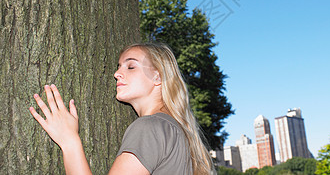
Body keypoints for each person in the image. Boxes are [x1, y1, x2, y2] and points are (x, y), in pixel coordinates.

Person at [29, 43, 213, 175]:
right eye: (119, 67)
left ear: (157, 77)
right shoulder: (173, 131)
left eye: (131, 66)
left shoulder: (150, 127)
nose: (117, 74)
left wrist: (69, 141)